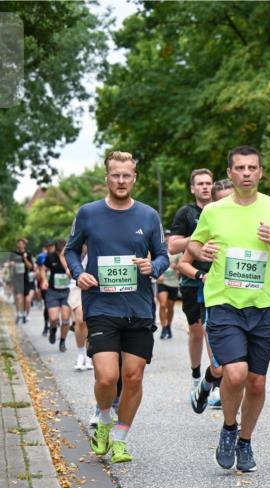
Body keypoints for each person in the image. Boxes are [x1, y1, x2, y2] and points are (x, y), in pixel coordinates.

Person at [187, 146, 270, 472]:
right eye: (240, 168)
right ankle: (229, 428)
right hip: (223, 303)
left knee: (257, 383)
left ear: (260, 172)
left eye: (252, 168)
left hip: (261, 306)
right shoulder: (214, 211)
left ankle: (245, 441)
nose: (246, 173)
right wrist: (201, 249)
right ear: (230, 173)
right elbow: (192, 245)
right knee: (235, 373)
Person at [65, 151, 168, 464]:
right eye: (115, 175)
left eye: (127, 175)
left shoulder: (149, 216)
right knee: (107, 378)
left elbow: (163, 255)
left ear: (134, 178)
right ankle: (104, 417)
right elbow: (71, 250)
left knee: (133, 377)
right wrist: (78, 273)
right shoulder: (88, 213)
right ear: (106, 178)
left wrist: (155, 266)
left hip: (138, 308)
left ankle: (120, 438)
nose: (121, 181)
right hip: (100, 305)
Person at [182, 178, 235, 411]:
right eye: (222, 202)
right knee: (219, 368)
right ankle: (204, 385)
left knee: (239, 368)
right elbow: (183, 262)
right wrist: (201, 275)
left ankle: (230, 421)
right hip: (213, 299)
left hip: (245, 302)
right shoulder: (207, 230)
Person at [169, 169, 214, 397]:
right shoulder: (186, 213)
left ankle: (215, 380)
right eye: (200, 183)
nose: (205, 187)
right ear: (193, 188)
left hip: (218, 281)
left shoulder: (222, 210)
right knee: (197, 332)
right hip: (193, 281)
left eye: (208, 183)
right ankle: (196, 375)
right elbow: (172, 246)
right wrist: (196, 238)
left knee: (213, 331)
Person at [40, 240, 72, 351]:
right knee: (53, 318)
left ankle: (62, 341)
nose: (60, 254)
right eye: (58, 252)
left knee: (65, 319)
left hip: (67, 291)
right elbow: (43, 269)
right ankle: (53, 329)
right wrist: (44, 280)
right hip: (53, 291)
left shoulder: (70, 256)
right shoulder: (50, 256)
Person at [67, 243, 93, 371]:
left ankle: (89, 355)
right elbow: (65, 256)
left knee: (90, 322)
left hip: (94, 286)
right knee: (80, 320)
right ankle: (80, 354)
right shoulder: (73, 247)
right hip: (77, 286)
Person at [156, 230, 180, 340]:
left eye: (169, 236)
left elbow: (183, 266)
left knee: (170, 307)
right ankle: (163, 327)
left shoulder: (178, 252)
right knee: (163, 304)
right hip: (162, 281)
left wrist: (178, 267)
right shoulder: (159, 250)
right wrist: (157, 275)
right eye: (165, 236)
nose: (167, 238)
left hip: (173, 283)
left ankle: (169, 326)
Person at [11, 238, 35, 323]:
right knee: (18, 297)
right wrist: (11, 264)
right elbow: (9, 263)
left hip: (25, 278)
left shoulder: (28, 253)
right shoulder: (13, 253)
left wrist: (25, 259)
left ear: (24, 245)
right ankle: (18, 313)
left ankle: (25, 313)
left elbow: (30, 267)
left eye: (22, 243)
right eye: (19, 243)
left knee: (26, 298)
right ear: (17, 244)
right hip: (16, 277)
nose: (20, 245)